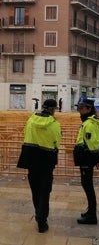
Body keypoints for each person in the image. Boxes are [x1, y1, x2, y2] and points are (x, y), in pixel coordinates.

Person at [17, 99, 62, 233]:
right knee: (45, 191)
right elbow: (57, 141)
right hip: (46, 161)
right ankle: (42, 221)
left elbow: (25, 134)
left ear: (42, 107)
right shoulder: (54, 124)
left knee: (35, 189)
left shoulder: (30, 121)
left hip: (31, 159)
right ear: (53, 109)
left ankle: (38, 213)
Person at [75, 99, 99, 225]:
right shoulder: (91, 122)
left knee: (87, 186)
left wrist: (94, 158)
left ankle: (92, 215)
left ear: (88, 109)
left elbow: (92, 144)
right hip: (88, 158)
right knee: (87, 185)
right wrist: (97, 158)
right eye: (79, 108)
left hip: (86, 158)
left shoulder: (89, 123)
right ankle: (90, 211)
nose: (79, 111)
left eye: (82, 108)